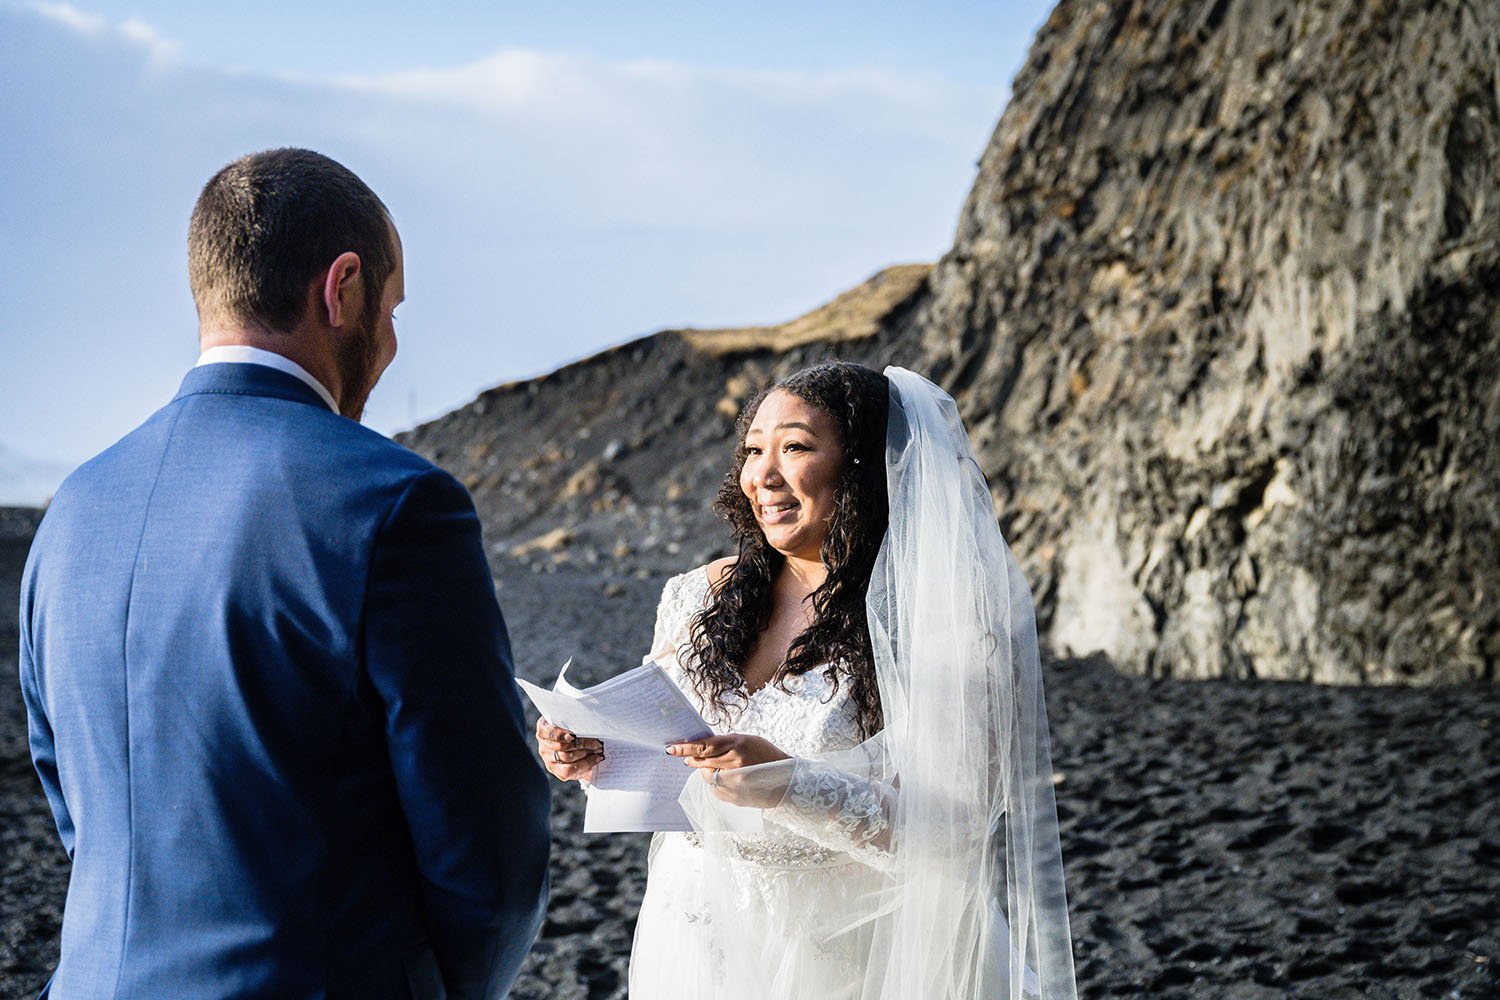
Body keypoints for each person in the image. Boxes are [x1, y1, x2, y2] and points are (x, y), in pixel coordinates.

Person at [19, 148, 550, 999]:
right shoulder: (395, 502)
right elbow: (483, 843)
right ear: (342, 289)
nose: (391, 341)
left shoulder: (74, 508)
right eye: (393, 307)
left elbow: (72, 798)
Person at [538, 361, 1077, 999]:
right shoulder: (696, 596)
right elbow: (665, 750)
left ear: (863, 466)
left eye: (794, 447)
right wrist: (594, 752)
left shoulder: (937, 621)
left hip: (855, 955)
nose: (763, 476)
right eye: (753, 450)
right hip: (693, 933)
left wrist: (788, 784)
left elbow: (952, 835)